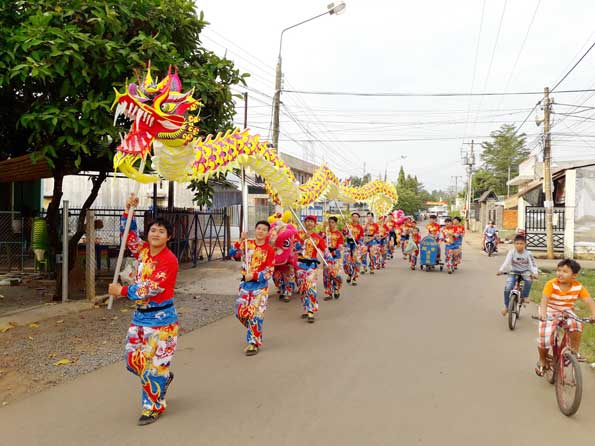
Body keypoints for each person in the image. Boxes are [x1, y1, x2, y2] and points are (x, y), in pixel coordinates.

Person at [108, 193, 179, 426]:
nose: (155, 233)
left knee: (152, 369)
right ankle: (163, 378)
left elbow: (150, 288)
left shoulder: (169, 260)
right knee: (133, 361)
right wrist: (128, 210)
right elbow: (127, 236)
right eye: (153, 230)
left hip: (162, 322)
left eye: (161, 231)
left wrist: (121, 291)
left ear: (169, 237)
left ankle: (153, 406)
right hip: (139, 319)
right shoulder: (143, 251)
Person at [535, 259, 595, 376]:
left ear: (574, 275)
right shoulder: (551, 284)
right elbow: (544, 299)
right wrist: (542, 313)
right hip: (550, 310)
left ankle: (574, 352)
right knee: (545, 338)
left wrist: (593, 314)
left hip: (566, 311)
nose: (560, 273)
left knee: (576, 325)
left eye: (565, 271)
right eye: (558, 270)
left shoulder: (578, 287)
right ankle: (542, 359)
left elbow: (589, 301)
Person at [229, 221, 275, 356]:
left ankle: (253, 343)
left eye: (264, 229)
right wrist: (240, 240)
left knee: (255, 314)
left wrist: (254, 275)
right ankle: (255, 330)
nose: (260, 231)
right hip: (245, 286)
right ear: (255, 230)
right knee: (241, 313)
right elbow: (232, 253)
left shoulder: (269, 250)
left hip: (260, 288)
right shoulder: (246, 244)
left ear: (267, 233)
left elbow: (269, 271)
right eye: (258, 228)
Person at [496, 234, 538, 316]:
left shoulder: (528, 253)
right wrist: (501, 270)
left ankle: (525, 296)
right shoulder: (512, 252)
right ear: (514, 244)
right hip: (513, 271)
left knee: (529, 280)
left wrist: (535, 273)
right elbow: (506, 262)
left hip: (525, 271)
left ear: (525, 244)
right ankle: (507, 307)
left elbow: (533, 264)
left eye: (521, 243)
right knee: (508, 288)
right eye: (517, 243)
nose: (519, 245)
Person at [296, 215, 327, 323]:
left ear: (315, 224)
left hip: (311, 266)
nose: (309, 223)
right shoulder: (298, 235)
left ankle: (311, 311)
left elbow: (325, 250)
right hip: (300, 265)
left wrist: (330, 261)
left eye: (311, 221)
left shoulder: (317, 237)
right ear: (304, 222)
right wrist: (303, 239)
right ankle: (306, 307)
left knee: (310, 287)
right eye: (307, 221)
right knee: (303, 288)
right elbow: (293, 249)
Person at [322, 216, 344, 300]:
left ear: (335, 223)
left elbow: (340, 247)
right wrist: (323, 227)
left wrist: (333, 253)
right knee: (326, 274)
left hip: (335, 256)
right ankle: (328, 293)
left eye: (332, 222)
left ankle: (336, 288)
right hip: (327, 255)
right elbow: (320, 239)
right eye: (329, 222)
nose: (331, 224)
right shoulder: (326, 233)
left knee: (335, 274)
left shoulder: (339, 234)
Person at [343, 212, 364, 286]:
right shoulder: (348, 226)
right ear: (351, 218)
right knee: (346, 261)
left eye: (356, 217)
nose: (354, 218)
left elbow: (361, 238)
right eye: (353, 216)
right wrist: (345, 227)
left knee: (356, 261)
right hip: (348, 244)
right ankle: (349, 273)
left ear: (358, 218)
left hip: (356, 245)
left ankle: (355, 277)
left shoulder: (360, 228)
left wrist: (359, 244)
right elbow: (344, 233)